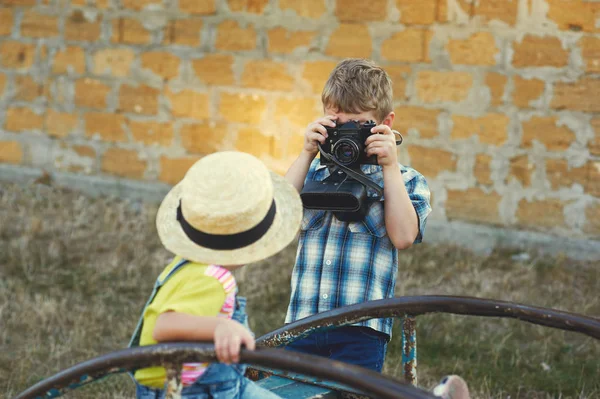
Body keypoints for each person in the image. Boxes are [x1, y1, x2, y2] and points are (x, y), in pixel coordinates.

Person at [284, 58, 432, 372]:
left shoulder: (406, 181)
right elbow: (278, 216)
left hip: (360, 330)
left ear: (386, 123)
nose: (346, 134)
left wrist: (389, 167)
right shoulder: (312, 172)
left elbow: (404, 237)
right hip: (301, 321)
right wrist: (306, 152)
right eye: (337, 124)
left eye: (357, 125)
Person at [129, 151, 302, 399]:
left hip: (188, 383)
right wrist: (220, 326)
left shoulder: (187, 264)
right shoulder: (211, 280)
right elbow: (163, 326)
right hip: (194, 390)